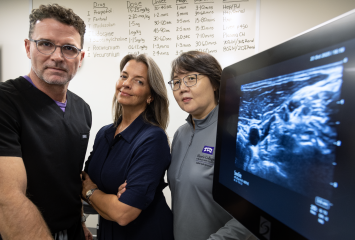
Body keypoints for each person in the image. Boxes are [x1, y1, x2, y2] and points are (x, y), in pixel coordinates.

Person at [0, 4, 92, 240]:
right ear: (28, 47)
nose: (57, 56)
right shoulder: (6, 101)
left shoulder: (82, 110)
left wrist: (80, 220)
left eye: (69, 48)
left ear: (80, 58)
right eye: (46, 44)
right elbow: (6, 199)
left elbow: (68, 178)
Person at [81, 54, 174, 240]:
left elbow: (124, 214)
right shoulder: (104, 133)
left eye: (138, 81)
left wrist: (90, 191)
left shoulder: (153, 138)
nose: (126, 83)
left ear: (151, 96)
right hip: (109, 231)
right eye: (124, 76)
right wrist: (108, 199)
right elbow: (83, 179)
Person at [167, 51, 256, 240]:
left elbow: (253, 211)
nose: (182, 87)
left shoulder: (236, 133)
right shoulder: (180, 134)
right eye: (176, 82)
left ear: (215, 83)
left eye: (191, 78)